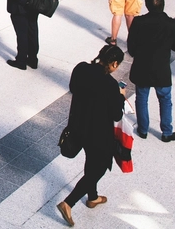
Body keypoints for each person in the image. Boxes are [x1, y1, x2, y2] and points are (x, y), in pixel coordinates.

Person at [56, 45, 126, 227]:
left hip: (77, 126)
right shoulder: (110, 84)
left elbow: (73, 88)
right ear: (114, 63)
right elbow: (116, 115)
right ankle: (68, 203)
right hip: (98, 133)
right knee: (99, 168)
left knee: (91, 161)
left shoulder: (80, 68)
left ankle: (92, 197)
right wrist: (120, 96)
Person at [127, 0, 175, 141]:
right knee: (165, 100)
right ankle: (166, 132)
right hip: (162, 69)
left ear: (147, 6)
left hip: (142, 67)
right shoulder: (173, 24)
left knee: (141, 98)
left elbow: (131, 47)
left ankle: (143, 129)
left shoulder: (138, 22)